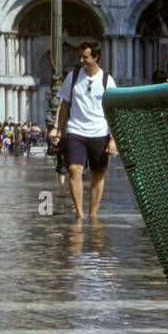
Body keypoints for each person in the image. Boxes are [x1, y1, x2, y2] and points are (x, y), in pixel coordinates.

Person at [52, 41, 117, 219]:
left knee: (98, 172)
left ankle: (93, 214)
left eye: (85, 57)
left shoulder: (107, 80)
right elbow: (64, 104)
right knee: (74, 169)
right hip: (76, 130)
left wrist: (113, 139)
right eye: (80, 56)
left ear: (95, 57)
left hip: (99, 131)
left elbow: (114, 110)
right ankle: (80, 215)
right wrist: (58, 129)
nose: (81, 60)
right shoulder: (72, 77)